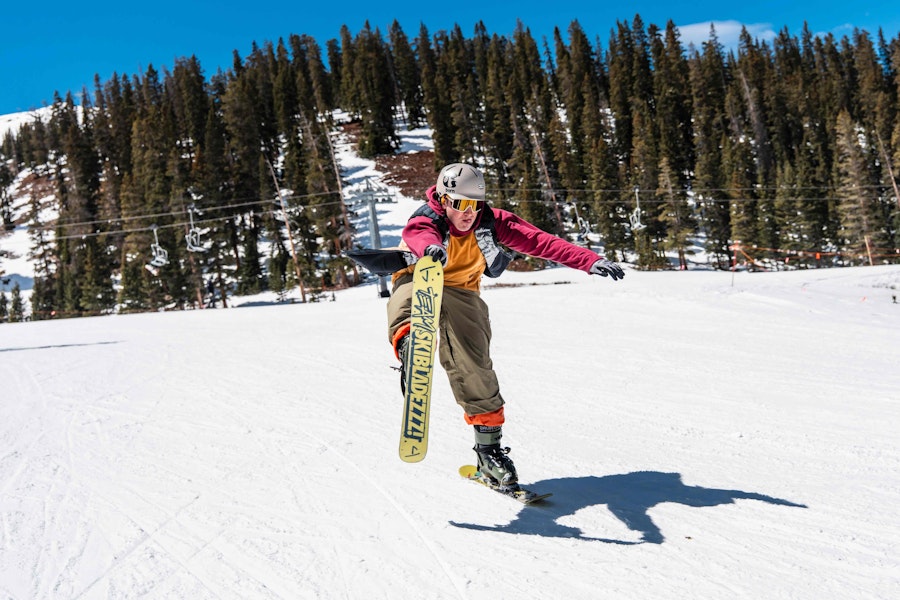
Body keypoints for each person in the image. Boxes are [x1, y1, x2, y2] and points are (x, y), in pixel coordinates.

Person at [387, 163, 624, 489]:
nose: (468, 212)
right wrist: (431, 247)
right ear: (443, 199)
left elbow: (541, 242)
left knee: (477, 368)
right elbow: (418, 232)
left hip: (462, 291)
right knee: (409, 303)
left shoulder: (492, 223)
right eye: (459, 204)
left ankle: (489, 455)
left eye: (474, 204)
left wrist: (589, 260)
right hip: (421, 276)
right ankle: (412, 348)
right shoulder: (428, 217)